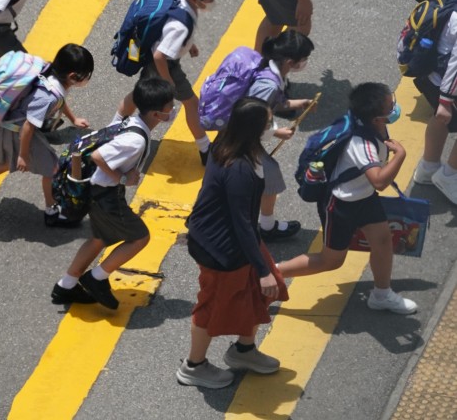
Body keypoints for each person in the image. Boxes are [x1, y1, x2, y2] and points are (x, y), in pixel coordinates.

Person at [177, 97, 288, 389]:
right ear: (253, 129)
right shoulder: (240, 170)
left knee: (259, 292)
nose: (271, 126)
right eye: (267, 123)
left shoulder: (229, 142)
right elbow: (241, 223)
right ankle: (194, 366)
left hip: (234, 239)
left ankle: (244, 350)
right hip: (221, 248)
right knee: (212, 306)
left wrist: (263, 271)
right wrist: (262, 269)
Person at [277, 83, 417, 315]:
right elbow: (379, 181)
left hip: (364, 197)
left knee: (382, 240)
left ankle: (382, 294)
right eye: (390, 105)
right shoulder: (360, 144)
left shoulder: (370, 124)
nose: (394, 106)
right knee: (331, 261)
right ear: (376, 117)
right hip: (341, 205)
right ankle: (270, 273)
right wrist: (400, 155)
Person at [51, 77, 174, 308]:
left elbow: (120, 109)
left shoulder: (133, 121)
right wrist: (125, 178)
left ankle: (65, 286)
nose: (173, 110)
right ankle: (97, 278)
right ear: (157, 114)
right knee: (139, 237)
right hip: (105, 195)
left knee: (99, 239)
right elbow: (99, 157)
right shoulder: (135, 141)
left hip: (98, 193)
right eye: (170, 108)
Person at [0, 43, 92, 220]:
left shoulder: (50, 73)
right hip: (17, 131)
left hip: (11, 123)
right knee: (53, 168)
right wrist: (23, 155)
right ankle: (51, 210)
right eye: (86, 76)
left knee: (5, 161)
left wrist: (73, 119)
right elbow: (28, 126)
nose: (87, 79)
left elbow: (60, 102)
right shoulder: (48, 96)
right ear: (72, 76)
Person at [114, 0, 222, 165]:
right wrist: (169, 82)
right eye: (209, 0)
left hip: (161, 62)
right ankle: (205, 150)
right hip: (164, 67)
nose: (211, 3)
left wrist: (189, 45)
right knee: (190, 104)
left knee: (140, 96)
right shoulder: (180, 26)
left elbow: (169, 33)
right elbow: (159, 55)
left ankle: (114, 128)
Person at [247, 30, 315, 241]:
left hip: (241, 138)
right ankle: (266, 227)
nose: (305, 62)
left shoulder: (272, 70)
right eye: (303, 59)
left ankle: (265, 224)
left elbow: (274, 103)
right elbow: (249, 119)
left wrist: (300, 103)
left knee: (266, 177)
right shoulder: (269, 85)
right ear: (289, 61)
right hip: (241, 139)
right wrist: (276, 132)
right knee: (270, 177)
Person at [412, 1, 457, 200]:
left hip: (433, 75)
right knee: (444, 115)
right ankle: (449, 176)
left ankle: (428, 168)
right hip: (448, 82)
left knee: (440, 119)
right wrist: (447, 101)